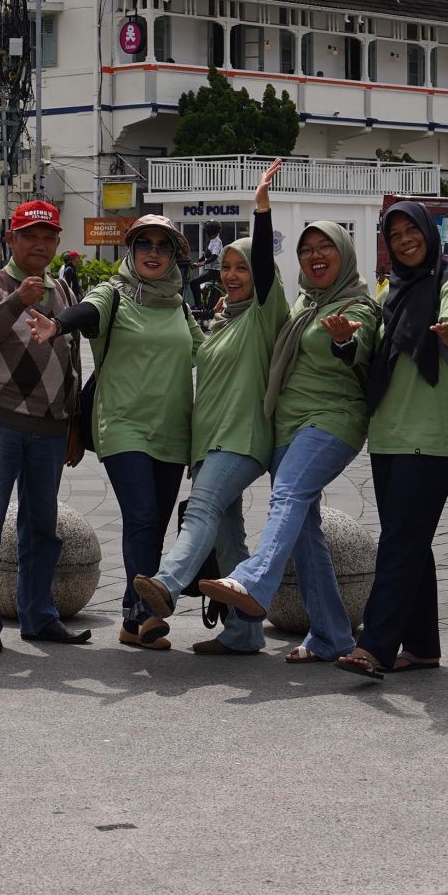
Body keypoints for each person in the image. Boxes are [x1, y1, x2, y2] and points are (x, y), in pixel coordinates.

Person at [200, 220, 376, 666]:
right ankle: (332, 636)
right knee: (304, 534)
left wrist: (344, 340)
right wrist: (231, 306)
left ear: (344, 253)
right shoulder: (303, 303)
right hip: (287, 424)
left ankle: (255, 580)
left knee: (288, 493)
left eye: (325, 246)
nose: (315, 255)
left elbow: (358, 344)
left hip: (332, 419)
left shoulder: (358, 303)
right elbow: (266, 316)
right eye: (306, 249)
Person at [131, 160, 285, 656]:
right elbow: (193, 351)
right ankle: (244, 633)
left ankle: (167, 584)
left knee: (201, 511)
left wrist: (261, 210)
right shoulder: (224, 322)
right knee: (228, 538)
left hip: (239, 439)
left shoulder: (263, 314)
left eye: (242, 268)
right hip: (210, 443)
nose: (233, 276)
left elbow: (265, 270)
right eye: (227, 268)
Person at [29, 215, 202, 650]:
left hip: (173, 429)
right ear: (130, 249)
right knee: (141, 516)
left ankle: (130, 620)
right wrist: (58, 325)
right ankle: (145, 614)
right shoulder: (114, 292)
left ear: (174, 256)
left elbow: (208, 353)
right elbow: (88, 311)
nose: (153, 253)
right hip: (123, 424)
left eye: (163, 246)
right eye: (144, 243)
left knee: (155, 525)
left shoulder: (179, 305)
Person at [338, 199, 448, 679]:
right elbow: (369, 344)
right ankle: (421, 647)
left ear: (428, 232)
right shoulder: (390, 290)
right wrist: (345, 340)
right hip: (389, 432)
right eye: (395, 235)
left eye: (411, 231)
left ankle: (374, 646)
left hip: (432, 433)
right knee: (410, 539)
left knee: (400, 540)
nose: (404, 241)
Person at [0, 199, 93, 652]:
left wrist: (74, 423)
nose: (39, 244)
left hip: (51, 429)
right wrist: (18, 299)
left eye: (48, 236)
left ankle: (38, 616)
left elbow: (72, 359)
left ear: (57, 242)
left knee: (42, 528)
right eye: (29, 236)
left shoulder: (65, 291)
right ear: (10, 240)